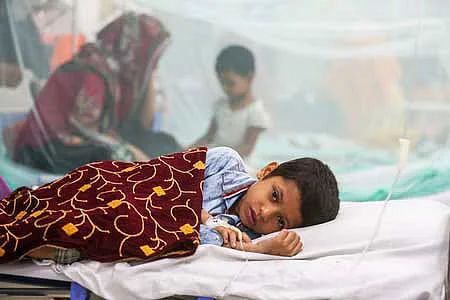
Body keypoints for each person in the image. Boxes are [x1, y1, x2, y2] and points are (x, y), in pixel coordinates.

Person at [0, 146, 339, 264]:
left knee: (125, 223)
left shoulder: (239, 236)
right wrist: (203, 218)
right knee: (104, 192)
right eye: (274, 196)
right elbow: (160, 180)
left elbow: (183, 237)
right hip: (118, 184)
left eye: (280, 222)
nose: (265, 212)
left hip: (128, 214)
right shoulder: (225, 163)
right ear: (266, 172)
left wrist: (260, 249)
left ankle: (51, 241)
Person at [11, 12, 180, 174]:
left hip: (69, 146)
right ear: (132, 47)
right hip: (42, 152)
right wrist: (128, 150)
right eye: (149, 58)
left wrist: (149, 73)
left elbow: (142, 125)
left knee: (161, 144)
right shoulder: (93, 73)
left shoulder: (114, 76)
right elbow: (82, 130)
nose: (151, 65)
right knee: (113, 156)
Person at [192, 45, 270, 159]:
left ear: (249, 78)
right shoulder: (220, 106)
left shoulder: (255, 112)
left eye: (230, 83)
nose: (225, 88)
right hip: (212, 157)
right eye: (222, 83)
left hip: (237, 163)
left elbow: (247, 147)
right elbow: (209, 136)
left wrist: (220, 158)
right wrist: (191, 148)